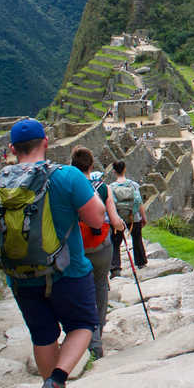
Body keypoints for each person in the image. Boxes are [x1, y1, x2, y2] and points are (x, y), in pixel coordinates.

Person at [0, 119, 104, 388]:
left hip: (22, 277)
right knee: (83, 325)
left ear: (13, 149)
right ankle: (56, 380)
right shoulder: (67, 176)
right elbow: (97, 218)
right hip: (68, 272)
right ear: (46, 142)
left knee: (43, 336)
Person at [69, 146, 126, 359]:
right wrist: (121, 227)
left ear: (72, 165)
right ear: (91, 166)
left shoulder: (68, 186)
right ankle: (97, 335)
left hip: (77, 247)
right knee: (100, 287)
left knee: (80, 290)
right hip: (102, 246)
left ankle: (83, 337)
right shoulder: (103, 188)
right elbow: (114, 219)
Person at [110, 159, 147, 277]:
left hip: (119, 219)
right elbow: (139, 202)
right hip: (133, 217)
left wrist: (113, 219)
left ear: (114, 171)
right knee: (137, 238)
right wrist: (143, 217)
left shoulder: (111, 187)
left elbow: (111, 204)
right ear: (125, 169)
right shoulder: (133, 185)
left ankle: (115, 267)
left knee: (115, 242)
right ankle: (141, 262)